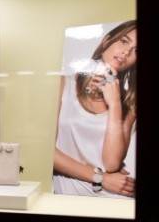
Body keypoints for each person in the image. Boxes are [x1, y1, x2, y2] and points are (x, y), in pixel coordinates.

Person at [53, 20, 137, 198]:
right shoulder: (64, 83)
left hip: (115, 196)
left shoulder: (129, 103)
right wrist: (100, 178)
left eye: (136, 50)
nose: (126, 52)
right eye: (124, 41)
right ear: (106, 41)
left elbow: (111, 164)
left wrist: (114, 103)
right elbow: (46, 151)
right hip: (71, 195)